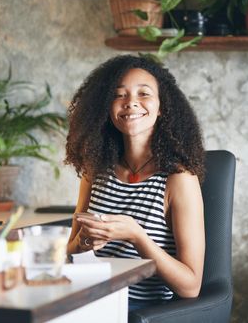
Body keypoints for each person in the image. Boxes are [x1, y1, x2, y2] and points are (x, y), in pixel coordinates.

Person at [64, 55, 205, 311]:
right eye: (119, 95)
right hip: (86, 300)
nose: (131, 103)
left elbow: (190, 286)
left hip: (139, 309)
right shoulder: (95, 171)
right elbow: (70, 255)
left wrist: (137, 236)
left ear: (162, 107)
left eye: (144, 94)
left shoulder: (179, 179)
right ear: (107, 107)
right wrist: (84, 241)